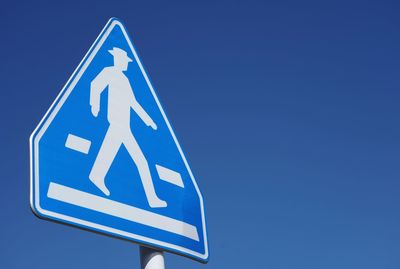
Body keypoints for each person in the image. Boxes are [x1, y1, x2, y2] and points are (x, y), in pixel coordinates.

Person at [88, 47, 167, 208]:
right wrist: (94, 105)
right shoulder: (109, 71)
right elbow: (95, 84)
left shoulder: (125, 79)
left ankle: (96, 176)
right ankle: (152, 199)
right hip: (117, 123)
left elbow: (133, 102)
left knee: (119, 155)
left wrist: (148, 120)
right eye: (125, 61)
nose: (127, 64)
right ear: (119, 60)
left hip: (124, 125)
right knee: (141, 161)